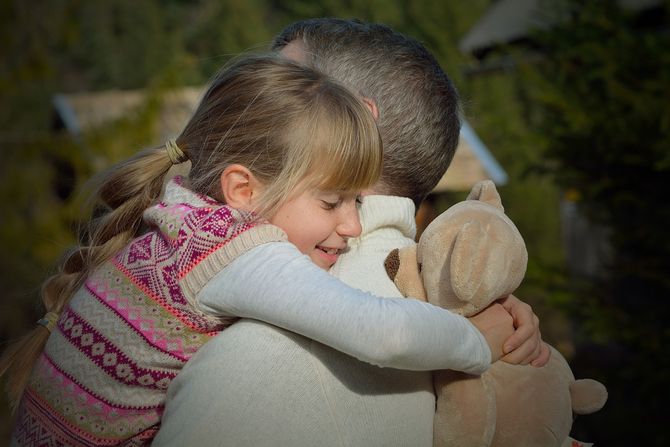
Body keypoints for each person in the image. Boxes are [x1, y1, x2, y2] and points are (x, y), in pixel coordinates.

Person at [3, 54, 515, 447]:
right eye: (332, 201)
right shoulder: (232, 251)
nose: (354, 225)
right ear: (243, 191)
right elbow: (382, 331)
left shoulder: (180, 218)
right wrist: (477, 342)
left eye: (357, 201)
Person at [153, 19, 549, 447]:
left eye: (285, 85)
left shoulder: (257, 360)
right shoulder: (463, 313)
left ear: (357, 118)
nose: (247, 108)